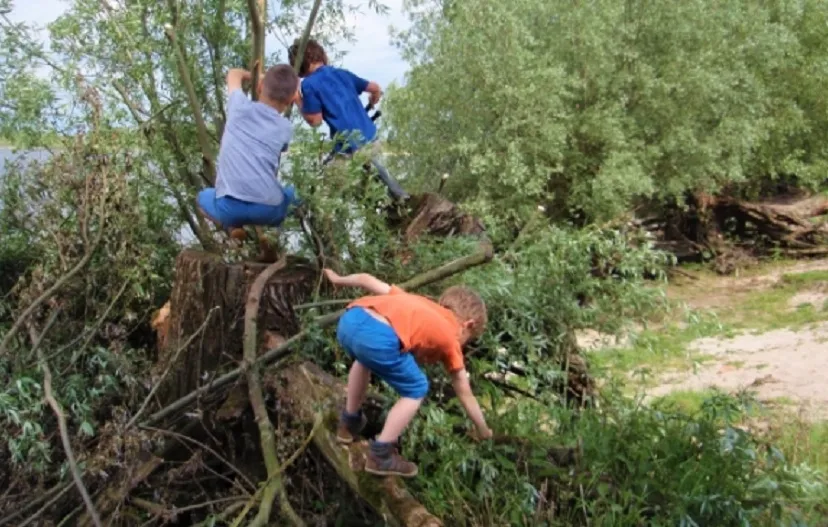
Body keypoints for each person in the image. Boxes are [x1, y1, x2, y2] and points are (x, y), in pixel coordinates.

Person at [324, 268, 493, 478]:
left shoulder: (415, 301)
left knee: (363, 360)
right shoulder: (452, 337)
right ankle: (381, 455)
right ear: (468, 325)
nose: (463, 343)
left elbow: (366, 279)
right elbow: (465, 393)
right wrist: (483, 430)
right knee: (417, 387)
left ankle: (348, 424)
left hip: (350, 320)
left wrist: (338, 279)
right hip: (378, 337)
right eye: (468, 338)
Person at [196, 64, 300, 254]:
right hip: (269, 210)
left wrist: (257, 76)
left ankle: (233, 227)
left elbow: (233, 73)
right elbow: (281, 150)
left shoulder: (238, 107)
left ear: (260, 87)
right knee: (297, 195)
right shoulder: (285, 128)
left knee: (202, 199)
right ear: (292, 98)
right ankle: (270, 238)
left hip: (230, 207)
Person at [288, 39, 408, 200]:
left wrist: (297, 99)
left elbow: (315, 121)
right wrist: (373, 101)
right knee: (368, 188)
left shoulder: (309, 85)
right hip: (373, 141)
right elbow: (375, 88)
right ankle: (394, 203)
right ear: (321, 55)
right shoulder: (342, 74)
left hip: (350, 150)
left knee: (324, 196)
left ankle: (324, 222)